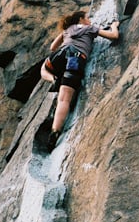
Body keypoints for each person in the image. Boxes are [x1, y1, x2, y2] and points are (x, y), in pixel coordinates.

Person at [40, 10, 119, 152]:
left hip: (60, 55)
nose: (89, 20)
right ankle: (55, 131)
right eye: (87, 18)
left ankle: (53, 79)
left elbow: (52, 47)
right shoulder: (90, 28)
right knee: (64, 99)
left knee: (43, 69)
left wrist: (65, 33)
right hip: (75, 58)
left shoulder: (67, 30)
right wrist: (114, 25)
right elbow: (114, 36)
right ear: (81, 19)